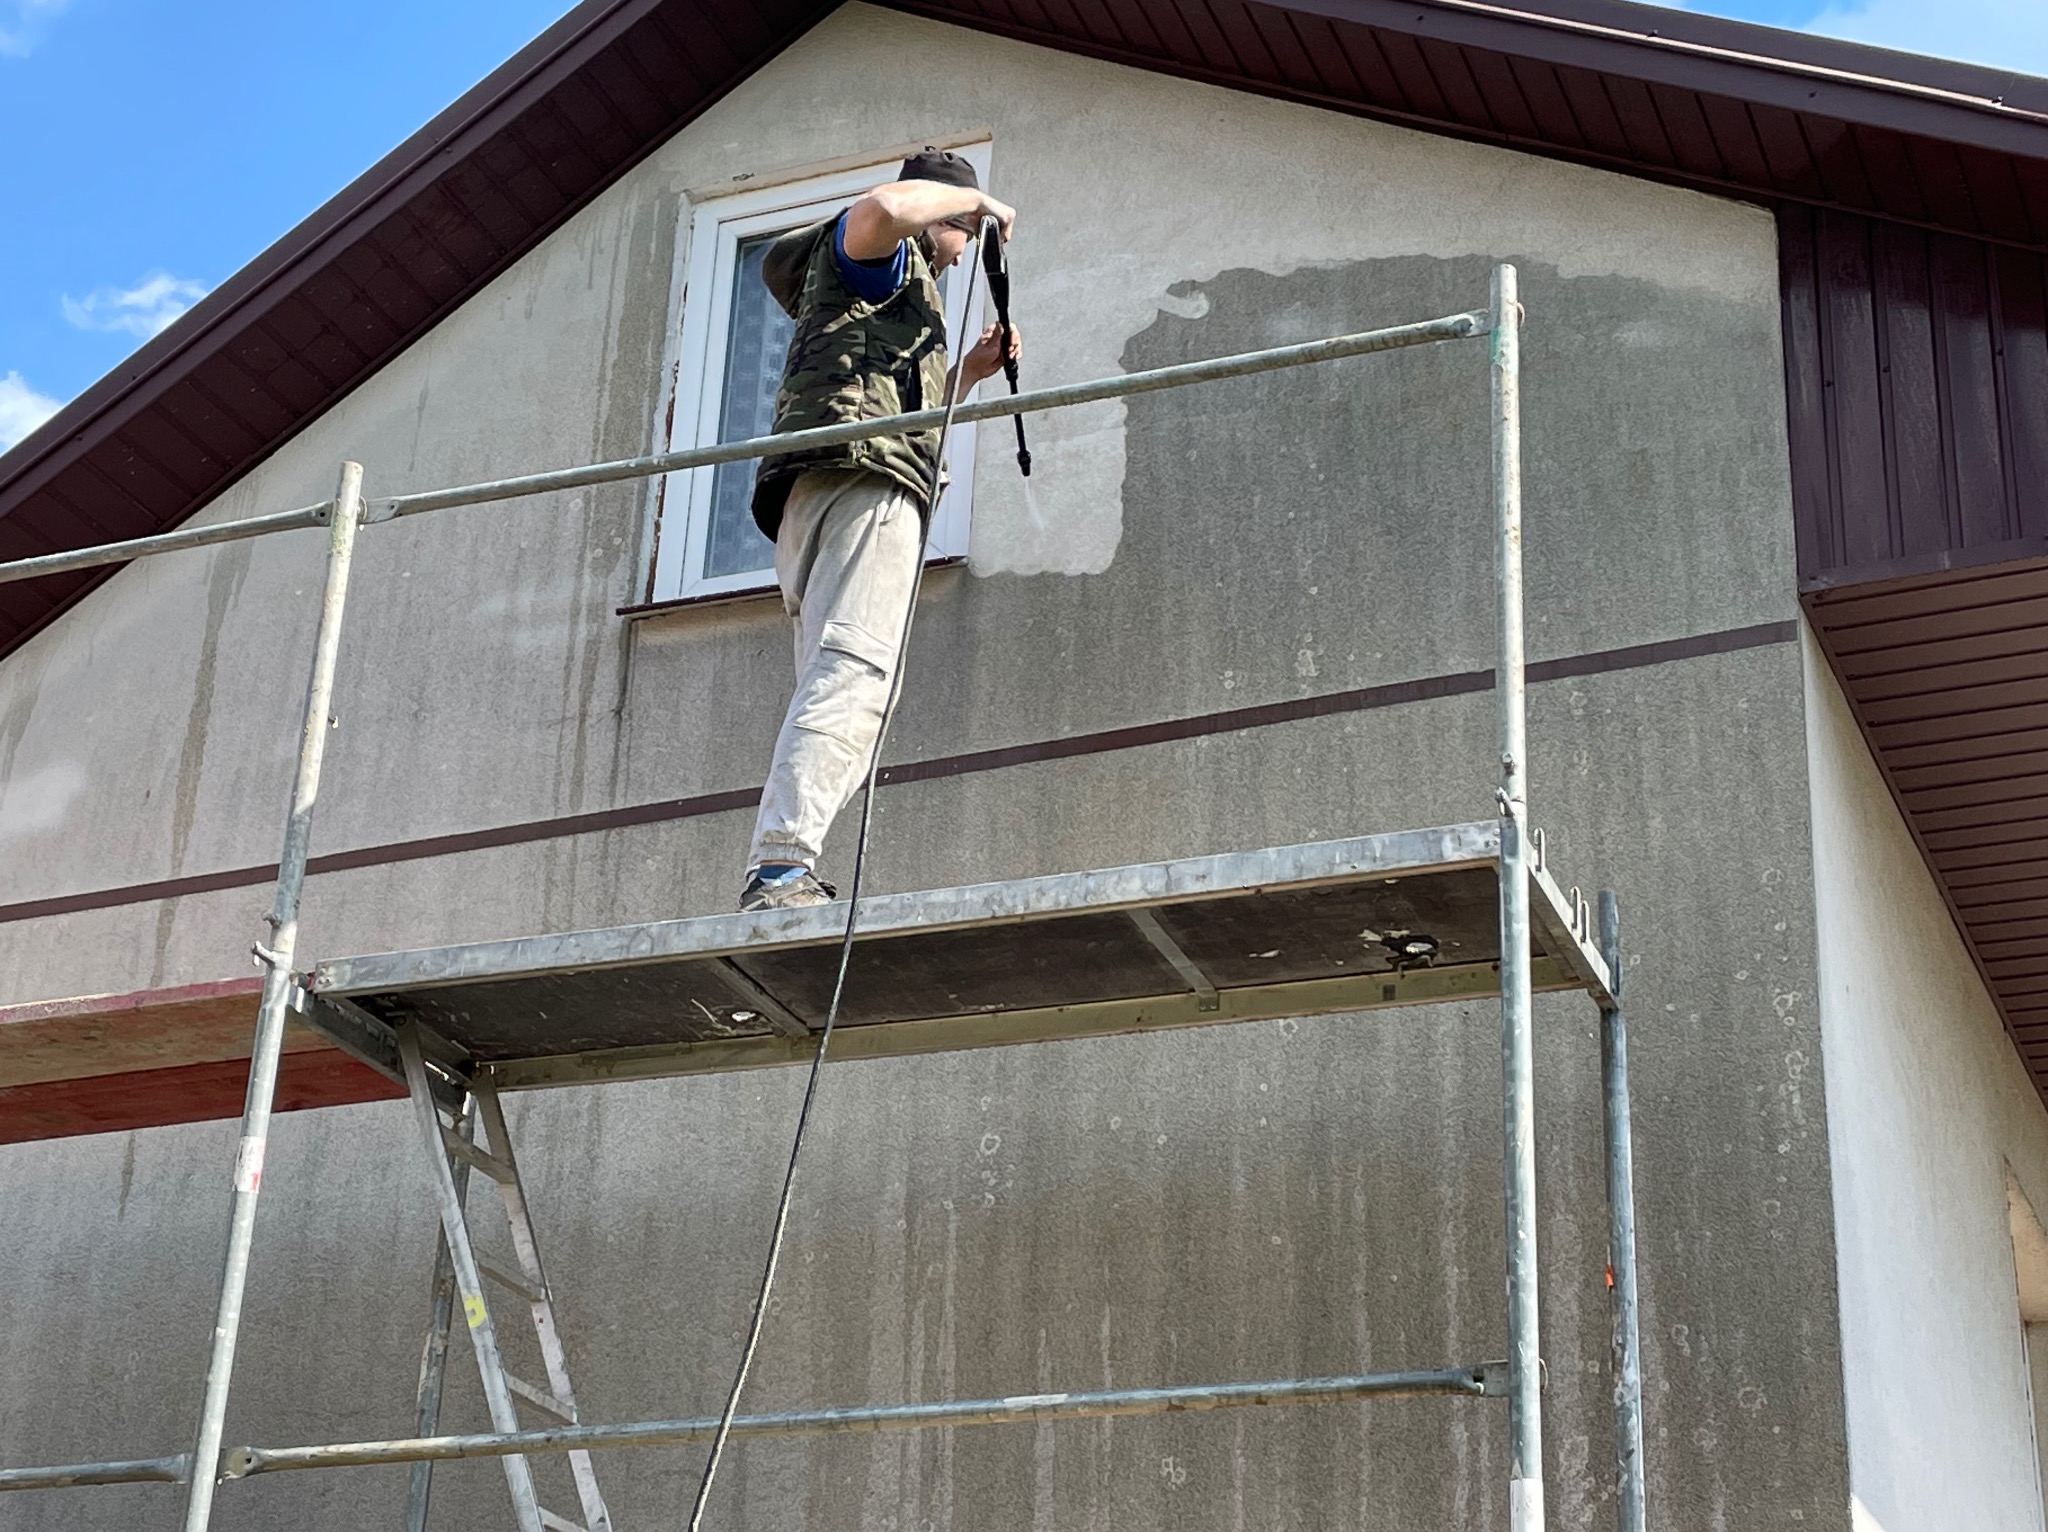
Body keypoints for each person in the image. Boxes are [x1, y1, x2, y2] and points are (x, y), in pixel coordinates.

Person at [738, 148, 1021, 912]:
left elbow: (877, 391)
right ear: (949, 216)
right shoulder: (884, 257)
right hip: (866, 485)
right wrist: (984, 204)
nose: (967, 254)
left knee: (832, 678)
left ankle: (782, 861)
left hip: (819, 488)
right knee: (855, 674)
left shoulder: (873, 287)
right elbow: (882, 212)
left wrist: (963, 375)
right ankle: (782, 867)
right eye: (966, 231)